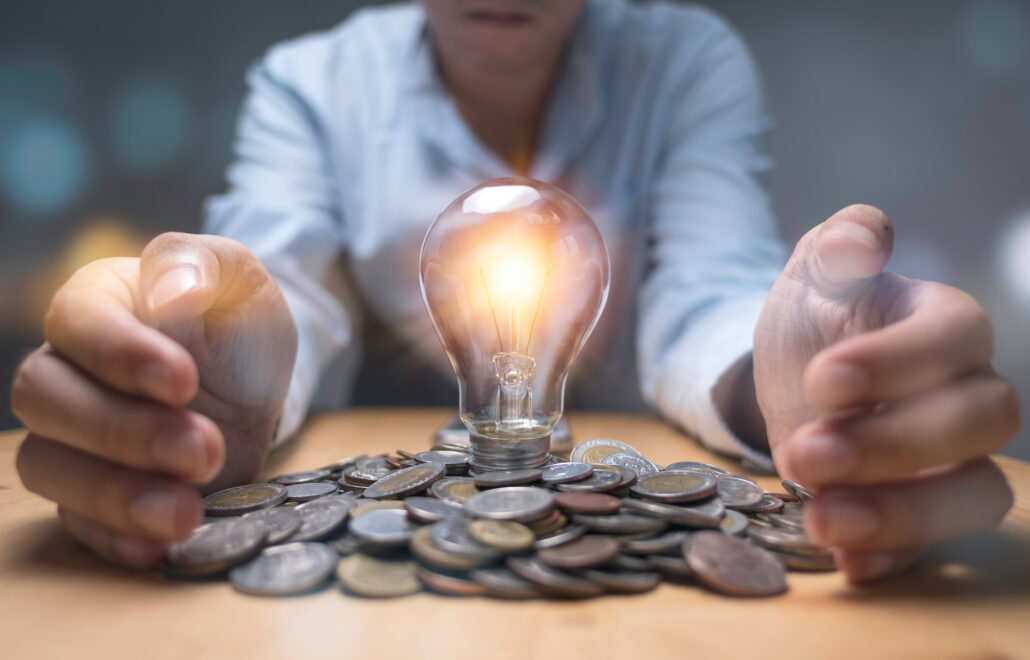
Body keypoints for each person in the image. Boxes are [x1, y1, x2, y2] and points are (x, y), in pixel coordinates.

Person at [11, 0, 1018, 583]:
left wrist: (794, 378)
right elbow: (285, 289)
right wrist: (207, 367)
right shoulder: (311, 83)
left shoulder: (683, 62)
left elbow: (705, 292)